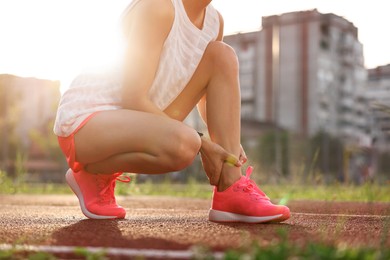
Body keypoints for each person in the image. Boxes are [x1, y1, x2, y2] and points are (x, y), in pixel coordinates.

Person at [53, 0, 290, 223]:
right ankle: (92, 172)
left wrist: (229, 146)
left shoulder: (214, 21)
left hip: (141, 119)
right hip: (87, 122)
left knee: (222, 55)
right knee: (185, 145)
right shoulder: (160, 7)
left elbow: (206, 93)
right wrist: (203, 145)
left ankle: (231, 188)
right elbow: (133, 97)